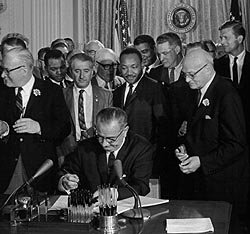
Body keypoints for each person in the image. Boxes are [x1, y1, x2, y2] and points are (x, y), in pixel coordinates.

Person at [175, 48, 249, 231]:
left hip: (225, 186)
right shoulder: (195, 90)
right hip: (203, 183)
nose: (187, 80)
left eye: (191, 75)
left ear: (207, 69)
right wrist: (185, 149)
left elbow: (236, 144)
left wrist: (201, 161)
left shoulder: (226, 95)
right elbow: (201, 132)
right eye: (184, 74)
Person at [0, 47, 71, 194]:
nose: (2, 75)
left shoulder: (50, 91)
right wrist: (5, 129)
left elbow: (64, 127)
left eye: (7, 70)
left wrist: (39, 128)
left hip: (40, 173)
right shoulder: (2, 91)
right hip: (8, 175)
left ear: (24, 70)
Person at [58, 107, 153, 200]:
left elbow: (141, 186)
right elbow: (65, 172)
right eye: (100, 136)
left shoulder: (140, 148)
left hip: (125, 209)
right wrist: (64, 182)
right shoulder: (85, 148)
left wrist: (112, 193)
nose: (104, 144)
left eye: (111, 139)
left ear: (125, 131)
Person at [57, 53, 112, 166]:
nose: (82, 76)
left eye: (86, 71)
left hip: (97, 152)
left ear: (93, 71)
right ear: (71, 72)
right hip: (69, 153)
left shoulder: (106, 95)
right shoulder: (61, 95)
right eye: (77, 71)